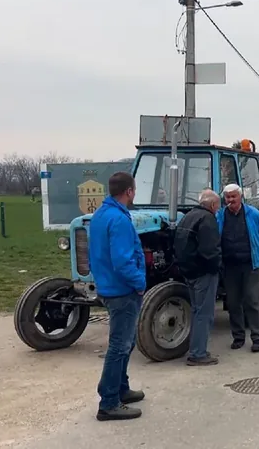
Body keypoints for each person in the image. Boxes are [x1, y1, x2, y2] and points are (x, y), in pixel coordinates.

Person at [89, 172, 146, 421]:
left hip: (108, 286)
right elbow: (123, 261)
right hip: (122, 290)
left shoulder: (100, 215)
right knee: (119, 346)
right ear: (129, 191)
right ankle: (109, 402)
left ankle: (121, 388)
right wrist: (139, 283)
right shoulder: (119, 219)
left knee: (126, 342)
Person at [217, 183, 259, 353]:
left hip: (250, 265)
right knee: (233, 303)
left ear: (240, 196)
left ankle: (257, 338)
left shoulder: (253, 213)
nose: (230, 200)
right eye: (228, 197)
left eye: (234, 196)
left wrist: (255, 252)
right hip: (230, 266)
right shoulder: (221, 215)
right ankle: (238, 337)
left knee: (252, 301)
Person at [173, 189, 222, 366]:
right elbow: (210, 250)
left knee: (196, 310)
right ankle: (198, 354)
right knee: (204, 313)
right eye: (218, 206)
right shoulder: (208, 219)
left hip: (189, 272)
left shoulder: (188, 216)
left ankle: (196, 348)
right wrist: (217, 267)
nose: (218, 209)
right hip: (204, 273)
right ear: (213, 205)